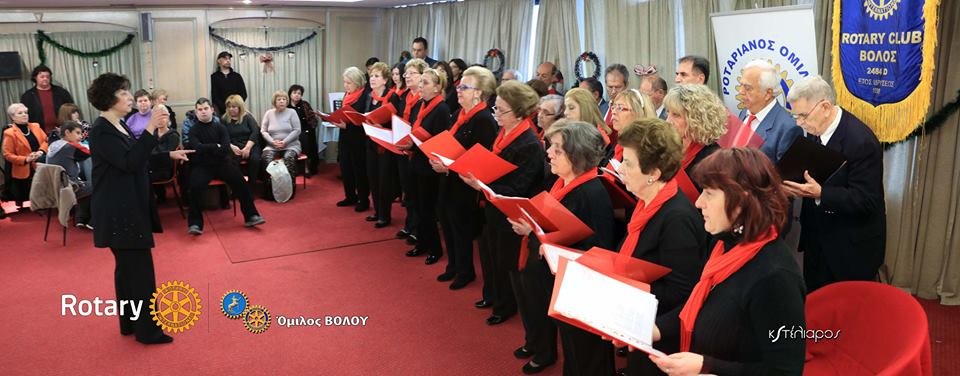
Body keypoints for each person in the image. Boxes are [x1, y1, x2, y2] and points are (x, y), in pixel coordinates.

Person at [648, 147, 806, 375]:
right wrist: (653, 329)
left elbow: (785, 370)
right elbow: (702, 305)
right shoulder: (725, 244)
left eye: (709, 193)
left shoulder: (776, 277)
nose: (698, 203)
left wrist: (707, 367)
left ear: (741, 200)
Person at [86, 72, 192, 344]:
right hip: (119, 211)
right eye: (123, 93)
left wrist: (167, 153)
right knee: (140, 273)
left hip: (125, 206)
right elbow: (130, 162)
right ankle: (147, 330)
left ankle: (130, 324)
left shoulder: (118, 125)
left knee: (126, 272)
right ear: (109, 99)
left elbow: (135, 156)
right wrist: (151, 128)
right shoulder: (101, 130)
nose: (129, 97)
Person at [509, 120, 615, 375]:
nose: (548, 153)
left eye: (557, 148)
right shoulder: (562, 183)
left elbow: (598, 249)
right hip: (562, 281)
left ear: (576, 154)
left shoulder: (591, 192)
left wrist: (543, 235)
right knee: (573, 350)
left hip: (582, 289)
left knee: (586, 355)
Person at [614, 118, 710, 375]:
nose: (620, 168)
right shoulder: (649, 202)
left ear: (654, 174)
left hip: (661, 338)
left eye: (628, 163)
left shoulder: (676, 218)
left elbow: (682, 292)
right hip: (641, 321)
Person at [782, 75, 885, 292]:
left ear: (826, 107)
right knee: (816, 303)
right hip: (817, 240)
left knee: (846, 311)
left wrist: (821, 194)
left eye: (802, 116)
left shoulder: (861, 141)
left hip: (849, 247)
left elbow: (866, 200)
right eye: (795, 117)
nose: (799, 123)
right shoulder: (814, 129)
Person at [461, 81, 546, 326]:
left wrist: (483, 186)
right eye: (495, 108)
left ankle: (504, 305)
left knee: (505, 262)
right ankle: (492, 296)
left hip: (511, 213)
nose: (495, 114)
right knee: (489, 255)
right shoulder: (504, 133)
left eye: (501, 110)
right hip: (492, 207)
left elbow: (521, 187)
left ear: (519, 112)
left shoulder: (528, 143)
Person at [433, 66, 499, 290]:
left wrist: (449, 167)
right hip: (449, 178)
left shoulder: (483, 119)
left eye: (464, 87)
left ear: (478, 93)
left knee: (460, 228)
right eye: (459, 86)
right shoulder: (458, 115)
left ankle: (465, 271)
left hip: (465, 184)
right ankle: (453, 265)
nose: (458, 90)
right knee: (448, 224)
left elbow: (480, 157)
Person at [185, 98, 264, 234]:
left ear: (212, 110)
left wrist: (210, 148)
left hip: (222, 163)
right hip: (202, 165)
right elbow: (197, 148)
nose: (203, 112)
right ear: (196, 112)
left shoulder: (220, 127)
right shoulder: (193, 130)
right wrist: (216, 145)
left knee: (240, 181)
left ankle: (251, 215)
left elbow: (226, 147)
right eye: (200, 109)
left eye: (205, 108)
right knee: (194, 187)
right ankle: (195, 223)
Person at [401, 68, 451, 265]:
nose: (420, 86)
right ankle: (421, 243)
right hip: (416, 160)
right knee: (417, 207)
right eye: (420, 82)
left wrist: (420, 142)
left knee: (427, 210)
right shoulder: (421, 105)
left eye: (426, 83)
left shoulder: (442, 109)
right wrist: (411, 143)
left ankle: (434, 249)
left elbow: (441, 139)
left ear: (438, 87)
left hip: (429, 167)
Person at [663, 84, 728, 202]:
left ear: (696, 119)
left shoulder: (714, 160)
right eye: (668, 113)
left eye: (676, 115)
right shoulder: (668, 148)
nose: (668, 121)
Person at [737, 60, 804, 162]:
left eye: (747, 88)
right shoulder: (744, 112)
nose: (740, 91)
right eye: (741, 85)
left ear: (768, 93)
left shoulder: (788, 128)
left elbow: (782, 175)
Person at [395, 59, 430, 244]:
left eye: (412, 73)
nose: (406, 76)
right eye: (406, 73)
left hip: (416, 151)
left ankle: (417, 228)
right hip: (404, 148)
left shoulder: (423, 101)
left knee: (416, 195)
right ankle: (409, 224)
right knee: (407, 191)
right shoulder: (405, 97)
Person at [332, 67, 371, 211]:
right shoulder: (347, 94)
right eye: (344, 82)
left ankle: (363, 199)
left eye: (348, 82)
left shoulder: (366, 95)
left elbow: (365, 120)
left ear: (357, 82)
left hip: (359, 138)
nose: (345, 85)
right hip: (345, 136)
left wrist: (346, 126)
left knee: (359, 169)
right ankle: (350, 196)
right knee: (346, 167)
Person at [365, 61, 398, 228]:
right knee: (373, 178)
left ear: (385, 80)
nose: (372, 78)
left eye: (377, 76)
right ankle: (377, 211)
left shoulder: (392, 96)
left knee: (384, 181)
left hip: (386, 145)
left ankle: (385, 215)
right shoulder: (370, 95)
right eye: (371, 75)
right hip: (371, 142)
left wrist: (382, 125)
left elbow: (397, 122)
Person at [45, 121, 92, 228]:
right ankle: (93, 222)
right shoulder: (69, 147)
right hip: (69, 188)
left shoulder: (54, 144)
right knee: (99, 185)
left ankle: (81, 218)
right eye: (78, 133)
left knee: (87, 185)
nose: (80, 136)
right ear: (67, 132)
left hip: (55, 188)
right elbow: (90, 152)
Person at [2, 103, 48, 207]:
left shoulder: (35, 126)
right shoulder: (9, 133)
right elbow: (7, 154)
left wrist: (41, 151)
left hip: (40, 161)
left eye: (26, 112)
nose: (24, 115)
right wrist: (26, 159)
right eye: (20, 113)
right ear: (13, 117)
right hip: (24, 166)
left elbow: (47, 141)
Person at [261, 90, 303, 199]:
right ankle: (269, 191)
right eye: (279, 99)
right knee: (266, 158)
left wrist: (285, 141)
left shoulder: (292, 112)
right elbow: (263, 131)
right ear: (274, 101)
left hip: (291, 144)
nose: (282, 101)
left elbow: (297, 130)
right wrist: (272, 142)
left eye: (284, 99)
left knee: (289, 158)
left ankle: (289, 190)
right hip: (272, 145)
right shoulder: (269, 113)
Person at [222, 95, 261, 193]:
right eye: (229, 107)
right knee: (231, 162)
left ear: (240, 107)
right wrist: (231, 146)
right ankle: (238, 187)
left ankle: (251, 188)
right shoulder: (223, 119)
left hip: (250, 144)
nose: (231, 109)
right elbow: (222, 136)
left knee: (255, 160)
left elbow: (255, 132)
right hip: (233, 145)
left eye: (234, 107)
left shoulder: (247, 117)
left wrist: (248, 147)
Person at [20, 65, 75, 133]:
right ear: (35, 78)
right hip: (38, 132)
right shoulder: (28, 95)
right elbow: (24, 115)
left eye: (47, 77)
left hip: (62, 131)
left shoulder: (61, 92)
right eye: (42, 77)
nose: (45, 79)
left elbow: (71, 109)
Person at [610, 89, 657, 161]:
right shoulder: (620, 144)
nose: (613, 112)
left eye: (620, 108)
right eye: (614, 106)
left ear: (638, 113)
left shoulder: (644, 149)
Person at [147, 110, 180, 203]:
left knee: (141, 176)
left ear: (168, 119)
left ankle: (148, 202)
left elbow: (166, 155)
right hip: (153, 166)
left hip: (165, 169)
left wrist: (152, 154)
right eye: (157, 118)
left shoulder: (173, 136)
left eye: (163, 117)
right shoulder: (153, 134)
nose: (160, 120)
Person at [288, 84, 319, 176]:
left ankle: (306, 166)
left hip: (305, 129)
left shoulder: (305, 104)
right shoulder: (287, 106)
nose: (297, 95)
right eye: (294, 93)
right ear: (290, 94)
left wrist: (311, 127)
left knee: (305, 137)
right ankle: (294, 167)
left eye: (299, 93)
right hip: (290, 131)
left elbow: (313, 118)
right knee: (300, 137)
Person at [210, 51, 248, 116]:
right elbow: (214, 96)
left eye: (229, 59)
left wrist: (236, 106)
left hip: (237, 110)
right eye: (225, 58)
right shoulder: (214, 77)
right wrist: (226, 108)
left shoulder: (237, 76)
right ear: (219, 61)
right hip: (221, 112)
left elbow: (243, 94)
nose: (228, 60)